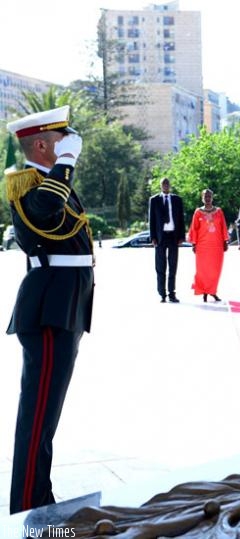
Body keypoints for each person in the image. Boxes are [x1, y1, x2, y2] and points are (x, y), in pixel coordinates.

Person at [5, 106, 93, 512]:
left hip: (65, 302)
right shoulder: (25, 183)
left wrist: (65, 163)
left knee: (46, 416)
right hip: (48, 308)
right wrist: (68, 161)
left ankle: (40, 498)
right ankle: (28, 508)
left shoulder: (51, 180)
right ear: (41, 145)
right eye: (62, 140)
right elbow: (46, 212)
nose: (70, 145)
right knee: (38, 415)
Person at [149, 177, 185, 303]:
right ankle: (162, 294)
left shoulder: (177, 200)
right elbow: (151, 220)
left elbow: (181, 219)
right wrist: (153, 237)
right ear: (160, 186)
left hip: (173, 236)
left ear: (170, 185)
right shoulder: (154, 200)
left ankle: (172, 293)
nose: (165, 185)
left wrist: (181, 236)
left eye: (167, 184)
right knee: (160, 267)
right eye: (163, 184)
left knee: (173, 266)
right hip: (160, 237)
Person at [189, 189, 229, 302]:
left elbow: (223, 227)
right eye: (205, 196)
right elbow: (194, 229)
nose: (207, 198)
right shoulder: (198, 212)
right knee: (202, 270)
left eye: (209, 196)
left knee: (215, 270)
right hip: (202, 247)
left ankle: (212, 291)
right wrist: (194, 244)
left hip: (217, 246)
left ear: (212, 197)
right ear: (202, 198)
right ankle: (204, 292)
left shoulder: (219, 211)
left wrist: (225, 241)